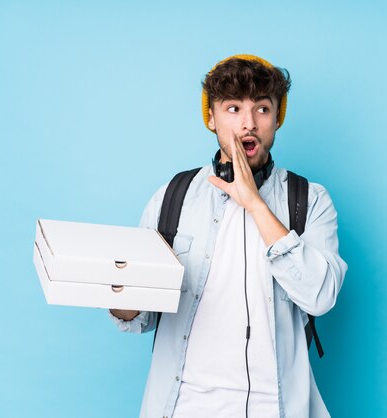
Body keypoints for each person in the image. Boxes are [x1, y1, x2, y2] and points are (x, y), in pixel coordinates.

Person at [110, 54, 347, 418]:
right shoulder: (172, 197)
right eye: (233, 108)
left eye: (263, 109)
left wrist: (255, 204)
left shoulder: (309, 200)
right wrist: (119, 295)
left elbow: (321, 296)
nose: (248, 123)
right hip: (183, 407)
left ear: (277, 119)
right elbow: (140, 318)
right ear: (211, 118)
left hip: (278, 407)